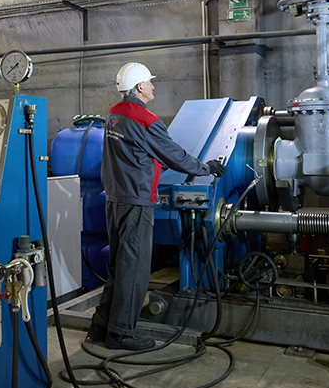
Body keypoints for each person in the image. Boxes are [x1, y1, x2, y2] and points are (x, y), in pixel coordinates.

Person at [86, 62, 225, 350]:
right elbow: (175, 155)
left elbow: (132, 153)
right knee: (134, 270)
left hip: (114, 199)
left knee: (119, 267)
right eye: (149, 82)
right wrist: (206, 168)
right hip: (136, 202)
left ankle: (100, 326)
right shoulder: (145, 119)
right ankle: (120, 334)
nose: (152, 86)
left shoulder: (114, 113)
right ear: (139, 87)